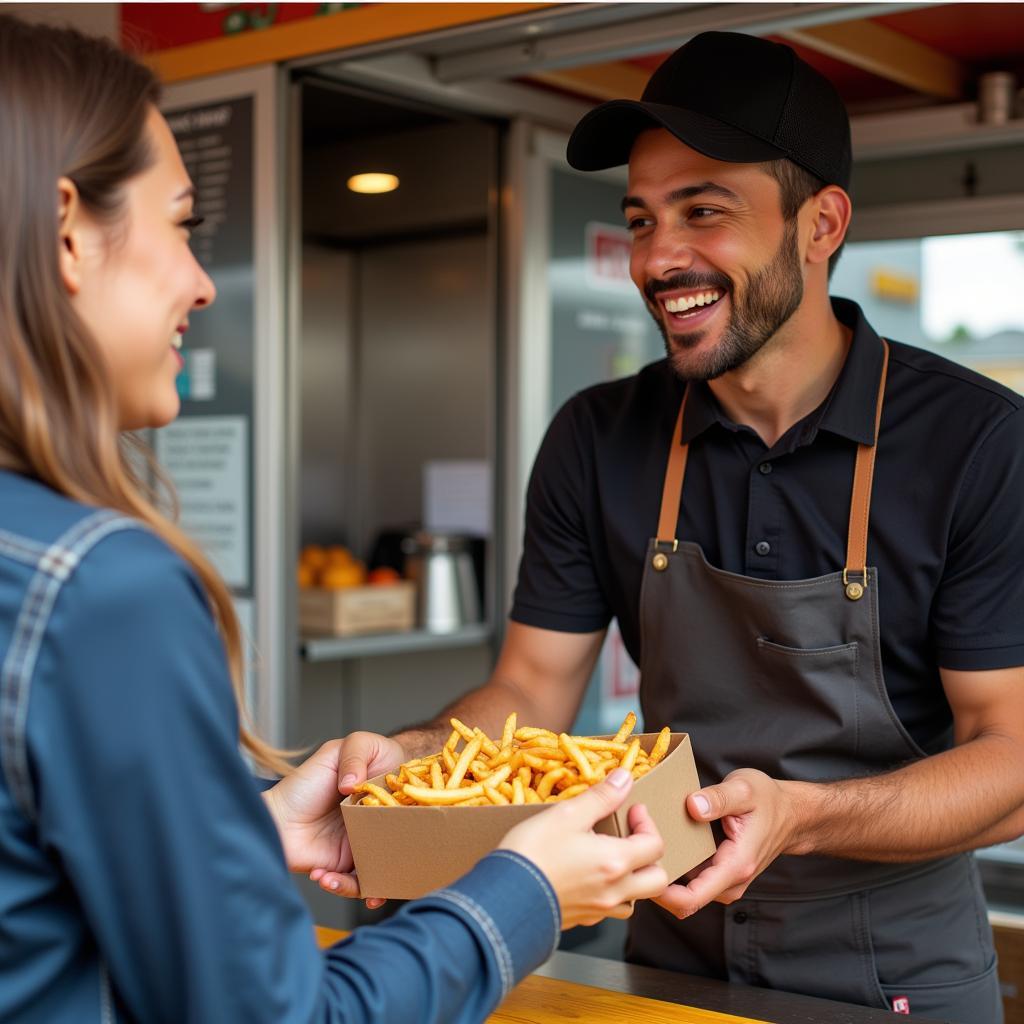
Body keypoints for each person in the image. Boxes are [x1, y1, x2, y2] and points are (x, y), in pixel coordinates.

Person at [324, 30, 1024, 1023]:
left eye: (705, 212)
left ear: (821, 223)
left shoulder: (977, 443)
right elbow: (529, 686)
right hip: (664, 954)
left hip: (894, 979)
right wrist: (418, 759)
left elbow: (1011, 757)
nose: (658, 258)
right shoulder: (598, 435)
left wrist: (803, 817)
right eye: (642, 219)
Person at [0, 15, 671, 1024]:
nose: (200, 281)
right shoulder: (102, 590)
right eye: (182, 223)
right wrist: (525, 891)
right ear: (65, 232)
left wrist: (249, 831)